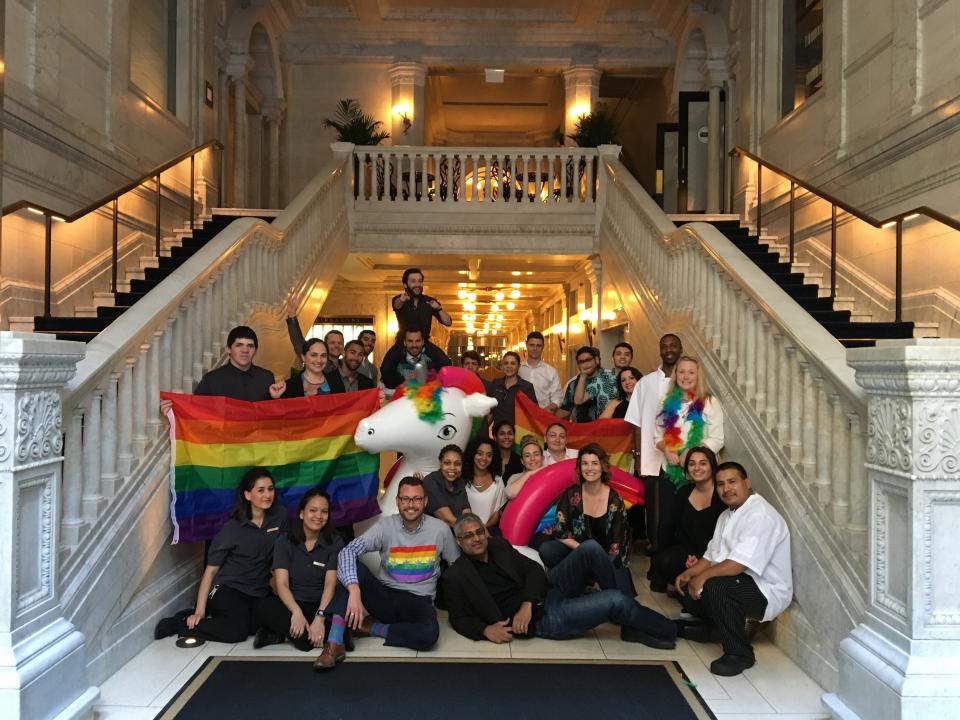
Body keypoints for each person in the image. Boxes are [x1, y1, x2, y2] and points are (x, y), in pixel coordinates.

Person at [443, 514, 676, 648]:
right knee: (616, 600)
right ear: (458, 541)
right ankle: (673, 629)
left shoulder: (499, 545)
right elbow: (458, 618)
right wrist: (485, 630)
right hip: (545, 617)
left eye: (479, 532)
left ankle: (628, 619)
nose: (476, 539)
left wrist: (527, 603)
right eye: (468, 536)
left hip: (547, 590)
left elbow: (534, 569)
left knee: (591, 548)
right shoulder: (456, 576)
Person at [675, 462, 792, 677]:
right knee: (686, 588)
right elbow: (711, 556)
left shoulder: (760, 515)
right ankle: (715, 628)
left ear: (747, 483)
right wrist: (688, 574)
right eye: (720, 484)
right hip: (739, 580)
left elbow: (738, 564)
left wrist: (702, 578)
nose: (726, 489)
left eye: (732, 482)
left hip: (765, 589)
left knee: (714, 586)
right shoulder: (727, 515)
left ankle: (740, 654)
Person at [154, 468, 287, 643]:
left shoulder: (280, 516)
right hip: (227, 588)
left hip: (258, 591)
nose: (267, 495)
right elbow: (210, 572)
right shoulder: (232, 527)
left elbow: (282, 555)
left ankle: (230, 620)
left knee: (270, 618)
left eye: (270, 489)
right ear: (248, 495)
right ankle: (180, 624)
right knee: (236, 632)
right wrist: (199, 611)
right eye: (261, 490)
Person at [337, 476, 460, 651]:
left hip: (420, 600)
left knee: (429, 635)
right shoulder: (385, 526)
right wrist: (354, 590)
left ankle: (371, 628)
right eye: (405, 499)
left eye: (417, 499)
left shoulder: (440, 529)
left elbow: (457, 565)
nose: (411, 505)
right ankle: (334, 641)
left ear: (425, 501)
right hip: (385, 597)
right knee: (349, 565)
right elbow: (348, 551)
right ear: (397, 501)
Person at [252, 488, 351, 670]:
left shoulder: (335, 541)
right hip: (293, 603)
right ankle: (304, 635)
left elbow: (330, 584)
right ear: (301, 513)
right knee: (262, 606)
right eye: (313, 510)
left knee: (343, 633)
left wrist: (320, 618)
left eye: (324, 511)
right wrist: (296, 612)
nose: (318, 516)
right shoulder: (284, 541)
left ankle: (282, 634)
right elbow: (281, 584)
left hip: (323, 604)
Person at [538, 444, 633, 597]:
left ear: (603, 466)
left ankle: (583, 581)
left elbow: (618, 545)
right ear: (579, 468)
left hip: (607, 558)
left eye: (594, 463)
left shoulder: (615, 499)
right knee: (547, 550)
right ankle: (586, 581)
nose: (589, 468)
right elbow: (560, 530)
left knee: (624, 601)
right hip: (577, 552)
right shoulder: (571, 493)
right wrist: (584, 551)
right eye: (585, 463)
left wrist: (600, 568)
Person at [624, 333, 683, 553]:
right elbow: (637, 423)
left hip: (682, 457)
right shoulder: (646, 382)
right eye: (665, 346)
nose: (669, 349)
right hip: (653, 457)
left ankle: (676, 556)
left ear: (680, 349)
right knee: (656, 512)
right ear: (660, 350)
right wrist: (639, 456)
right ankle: (657, 555)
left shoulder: (688, 379)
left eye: (673, 345)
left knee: (679, 509)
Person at [648, 446, 725, 593]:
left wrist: (702, 561)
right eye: (691, 464)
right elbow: (675, 529)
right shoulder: (684, 493)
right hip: (688, 551)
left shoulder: (722, 495)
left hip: (713, 554)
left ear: (712, 467)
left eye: (703, 463)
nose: (697, 468)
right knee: (663, 561)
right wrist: (689, 557)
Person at [654, 355, 724, 488]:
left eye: (691, 372)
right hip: (669, 471)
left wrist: (692, 451)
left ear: (698, 376)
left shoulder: (709, 402)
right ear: (676, 375)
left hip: (700, 474)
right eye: (681, 372)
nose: (686, 377)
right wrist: (667, 449)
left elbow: (717, 439)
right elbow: (657, 437)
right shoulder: (665, 401)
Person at [380, 268, 453, 376]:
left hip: (424, 342)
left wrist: (438, 308)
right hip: (403, 342)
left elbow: (448, 322)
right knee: (386, 368)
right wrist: (402, 300)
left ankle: (432, 382)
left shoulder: (429, 301)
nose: (417, 284)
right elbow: (397, 305)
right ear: (405, 285)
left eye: (420, 281)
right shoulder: (399, 299)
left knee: (446, 363)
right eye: (413, 281)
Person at [192, 326, 286, 401]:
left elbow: (272, 415)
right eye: (239, 345)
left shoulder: (266, 377)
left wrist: (275, 398)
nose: (245, 350)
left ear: (255, 350)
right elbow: (197, 413)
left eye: (250, 346)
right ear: (228, 349)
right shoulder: (211, 380)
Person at [557, 346, 618, 422]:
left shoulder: (611, 378)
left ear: (596, 360)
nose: (585, 364)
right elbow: (565, 411)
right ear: (578, 365)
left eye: (588, 360)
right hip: (582, 428)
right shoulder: (573, 384)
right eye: (581, 362)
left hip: (609, 426)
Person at [380, 327, 451, 390]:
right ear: (404, 342)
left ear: (423, 342)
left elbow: (447, 364)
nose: (414, 345)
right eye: (410, 341)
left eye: (418, 341)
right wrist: (403, 383)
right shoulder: (396, 362)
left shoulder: (431, 362)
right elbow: (386, 374)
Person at [422, 444, 472, 527]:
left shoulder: (460, 482)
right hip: (436, 533)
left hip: (459, 531)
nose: (452, 467)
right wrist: (470, 530)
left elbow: (467, 514)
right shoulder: (430, 482)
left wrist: (476, 528)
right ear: (440, 463)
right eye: (447, 463)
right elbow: (448, 520)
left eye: (457, 464)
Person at [463, 439, 507, 528]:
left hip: (488, 531)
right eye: (480, 453)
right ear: (472, 454)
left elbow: (495, 515)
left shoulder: (498, 481)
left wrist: (482, 530)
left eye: (489, 455)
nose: (484, 458)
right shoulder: (462, 479)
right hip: (464, 531)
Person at [487, 351, 538, 427]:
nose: (509, 366)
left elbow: (533, 414)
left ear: (518, 366)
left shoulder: (527, 387)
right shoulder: (495, 384)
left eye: (513, 363)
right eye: (506, 363)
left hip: (518, 432)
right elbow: (490, 412)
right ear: (502, 366)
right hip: (498, 432)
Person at [281, 338, 346, 397]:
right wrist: (276, 397)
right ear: (303, 357)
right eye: (313, 355)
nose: (319, 360)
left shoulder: (337, 383)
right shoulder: (288, 386)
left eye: (323, 355)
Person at [518, 331, 562, 413]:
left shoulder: (551, 372)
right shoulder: (518, 369)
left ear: (543, 347)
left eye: (539, 346)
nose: (535, 349)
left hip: (543, 415)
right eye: (532, 345)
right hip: (520, 415)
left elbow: (557, 397)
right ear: (526, 345)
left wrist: (544, 412)